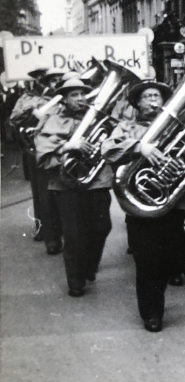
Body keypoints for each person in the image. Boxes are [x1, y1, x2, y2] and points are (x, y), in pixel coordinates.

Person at [101, 79, 180, 332]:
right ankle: (151, 312)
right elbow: (107, 148)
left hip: (172, 200)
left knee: (168, 259)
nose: (153, 101)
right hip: (139, 201)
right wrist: (138, 146)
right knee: (146, 260)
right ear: (137, 103)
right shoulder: (126, 126)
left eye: (157, 96)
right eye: (148, 97)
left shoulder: (176, 127)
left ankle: (156, 299)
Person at [34, 78, 113, 297]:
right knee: (74, 234)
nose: (80, 99)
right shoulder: (53, 119)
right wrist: (68, 146)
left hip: (97, 180)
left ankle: (89, 265)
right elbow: (42, 152)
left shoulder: (98, 117)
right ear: (65, 99)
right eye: (74, 95)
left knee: (102, 227)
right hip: (66, 184)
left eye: (82, 94)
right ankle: (75, 281)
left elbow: (115, 142)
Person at [11, 67, 67, 254]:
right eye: (51, 79)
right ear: (41, 81)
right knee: (43, 194)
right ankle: (48, 234)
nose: (55, 82)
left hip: (61, 150)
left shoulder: (64, 97)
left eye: (58, 79)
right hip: (38, 150)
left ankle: (64, 231)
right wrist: (32, 111)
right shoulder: (28, 98)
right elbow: (14, 119)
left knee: (65, 193)